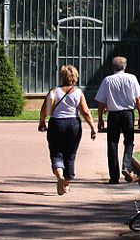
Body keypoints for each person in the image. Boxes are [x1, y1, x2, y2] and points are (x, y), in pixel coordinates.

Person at [38, 64, 97, 195]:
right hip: (73, 124)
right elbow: (85, 112)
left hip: (56, 123)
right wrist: (93, 127)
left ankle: (59, 176)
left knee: (56, 152)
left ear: (62, 77)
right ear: (75, 77)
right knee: (70, 154)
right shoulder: (78, 92)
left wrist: (42, 122)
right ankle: (66, 183)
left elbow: (44, 110)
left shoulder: (54, 91)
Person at [94, 56, 140, 184]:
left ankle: (114, 176)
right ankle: (126, 166)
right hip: (128, 114)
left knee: (112, 144)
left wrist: (100, 119)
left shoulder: (107, 80)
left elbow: (101, 102)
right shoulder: (131, 78)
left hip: (113, 115)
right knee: (129, 141)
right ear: (125, 67)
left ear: (112, 67)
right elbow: (138, 99)